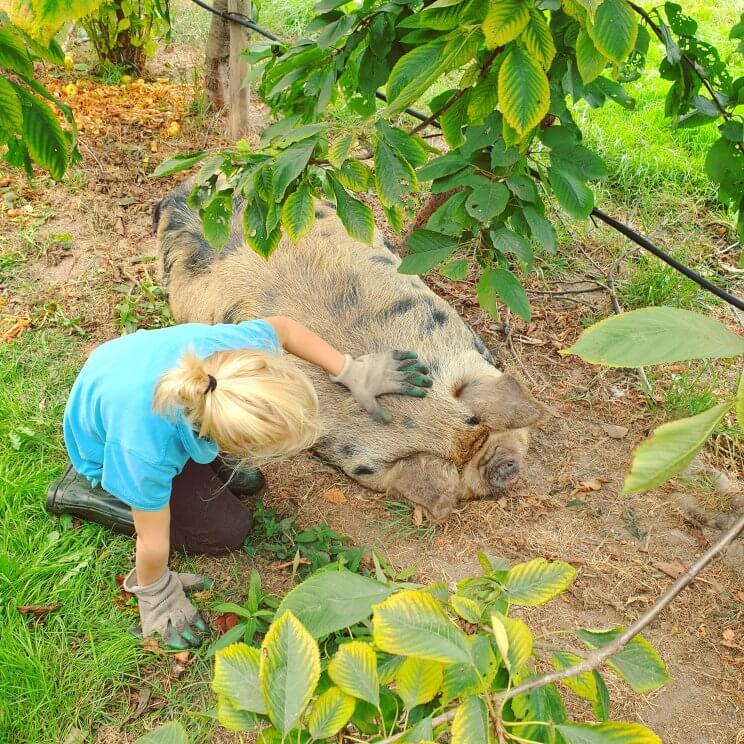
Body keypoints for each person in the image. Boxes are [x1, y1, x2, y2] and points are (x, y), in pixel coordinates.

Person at [46, 315, 432, 649]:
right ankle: (83, 490)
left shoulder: (237, 358)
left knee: (242, 486)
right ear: (226, 438)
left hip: (129, 373)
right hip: (105, 440)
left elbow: (285, 329)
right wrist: (155, 593)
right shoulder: (147, 451)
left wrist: (351, 369)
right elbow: (151, 542)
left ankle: (192, 474)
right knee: (226, 531)